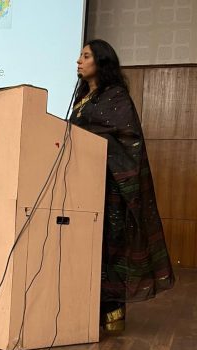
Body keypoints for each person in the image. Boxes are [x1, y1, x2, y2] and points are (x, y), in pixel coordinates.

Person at [69, 39, 175, 332]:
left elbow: (128, 140)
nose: (79, 61)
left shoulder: (116, 97)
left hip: (110, 188)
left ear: (101, 62)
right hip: (81, 185)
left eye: (86, 55)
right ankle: (83, 308)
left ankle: (112, 314)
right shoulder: (81, 99)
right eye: (80, 55)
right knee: (85, 247)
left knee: (109, 249)